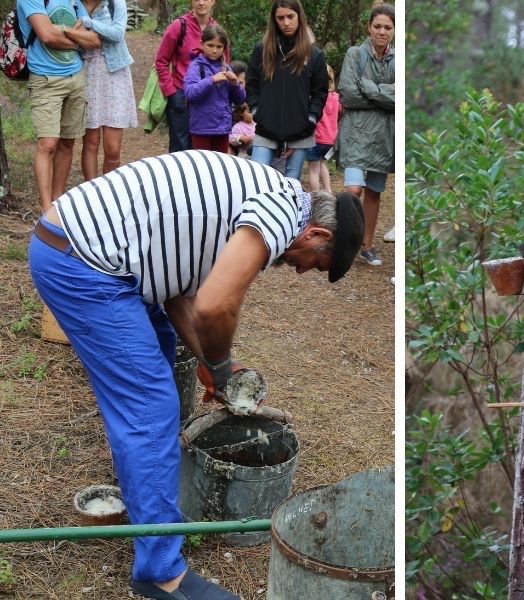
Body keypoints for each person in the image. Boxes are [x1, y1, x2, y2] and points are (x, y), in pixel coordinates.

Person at [28, 149, 364, 600]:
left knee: (160, 360)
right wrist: (222, 365)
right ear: (317, 232)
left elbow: (180, 292)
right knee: (150, 407)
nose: (303, 269)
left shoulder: (271, 193)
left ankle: (148, 498)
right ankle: (160, 572)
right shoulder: (279, 214)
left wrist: (211, 366)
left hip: (98, 256)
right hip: (84, 264)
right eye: (316, 262)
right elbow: (214, 305)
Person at [17, 0, 101, 211]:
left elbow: (94, 39)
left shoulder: (73, 1)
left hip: (76, 77)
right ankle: (46, 209)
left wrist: (63, 29)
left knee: (67, 143)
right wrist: (77, 39)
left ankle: (57, 201)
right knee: (48, 144)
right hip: (46, 79)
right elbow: (46, 35)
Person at [338, 2, 395, 267]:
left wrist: (370, 89)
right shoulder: (355, 54)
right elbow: (348, 94)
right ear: (369, 28)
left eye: (387, 27)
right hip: (356, 134)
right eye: (377, 26)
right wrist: (384, 95)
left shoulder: (397, 59)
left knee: (373, 192)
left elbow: (398, 97)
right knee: (353, 189)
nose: (382, 32)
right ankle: (344, 241)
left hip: (383, 136)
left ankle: (367, 245)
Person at [245, 0, 327, 180]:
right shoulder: (262, 50)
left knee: (291, 183)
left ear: (299, 17)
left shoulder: (315, 55)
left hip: (301, 131)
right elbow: (251, 85)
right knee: (257, 178)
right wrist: (258, 111)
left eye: (290, 17)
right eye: (280, 18)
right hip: (266, 129)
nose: (286, 22)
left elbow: (320, 92)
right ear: (274, 20)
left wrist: (311, 118)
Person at [154, 0, 227, 153]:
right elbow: (161, 61)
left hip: (208, 99)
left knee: (203, 152)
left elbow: (224, 62)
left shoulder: (217, 30)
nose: (201, 3)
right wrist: (171, 92)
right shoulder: (179, 26)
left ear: (213, 1)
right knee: (180, 149)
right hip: (181, 96)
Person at [78, 0, 138, 179]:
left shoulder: (115, 3)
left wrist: (87, 23)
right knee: (91, 142)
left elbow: (117, 33)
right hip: (85, 72)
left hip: (115, 73)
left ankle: (107, 194)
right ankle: (91, 192)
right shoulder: (73, 4)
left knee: (113, 149)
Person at [183, 24, 244, 153]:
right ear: (202, 43)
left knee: (219, 166)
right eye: (210, 45)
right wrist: (211, 80)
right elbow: (190, 93)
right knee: (203, 165)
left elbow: (240, 99)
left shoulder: (226, 67)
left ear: (224, 48)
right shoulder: (196, 66)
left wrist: (235, 84)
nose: (214, 50)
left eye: (219, 47)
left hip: (222, 127)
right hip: (201, 128)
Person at [306, 64, 340, 192]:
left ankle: (315, 196)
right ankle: (328, 190)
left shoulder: (315, 98)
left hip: (317, 139)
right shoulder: (336, 97)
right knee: (322, 164)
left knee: (313, 170)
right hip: (331, 140)